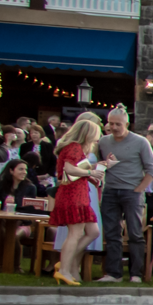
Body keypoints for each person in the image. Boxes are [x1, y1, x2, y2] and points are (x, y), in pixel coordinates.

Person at [93, 107, 153, 283]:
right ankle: (114, 273)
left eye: (118, 124)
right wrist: (104, 164)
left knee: (135, 233)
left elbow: (152, 169)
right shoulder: (103, 142)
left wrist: (139, 189)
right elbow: (97, 165)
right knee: (112, 233)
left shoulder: (140, 142)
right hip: (110, 190)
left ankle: (136, 274)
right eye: (111, 124)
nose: (114, 127)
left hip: (132, 192)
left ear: (127, 124)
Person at [47, 113, 103, 284]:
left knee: (93, 232)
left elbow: (74, 172)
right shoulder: (74, 147)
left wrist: (91, 177)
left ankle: (65, 261)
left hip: (79, 194)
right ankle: (64, 269)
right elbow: (69, 169)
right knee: (75, 233)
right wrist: (90, 172)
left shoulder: (75, 148)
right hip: (73, 195)